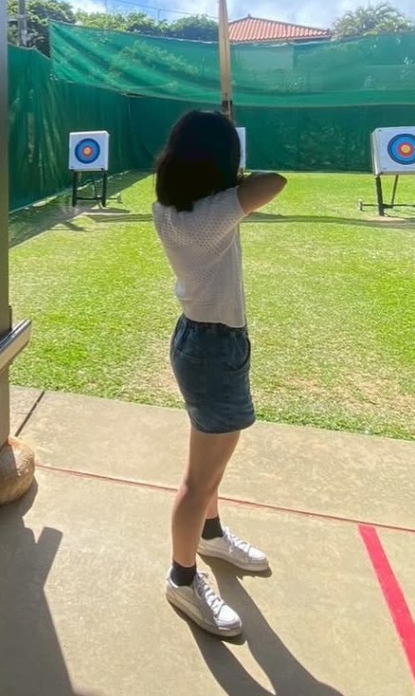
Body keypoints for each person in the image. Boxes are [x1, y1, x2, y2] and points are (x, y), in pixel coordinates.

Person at [152, 110, 287, 636]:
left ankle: (210, 535)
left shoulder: (168, 209)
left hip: (197, 339)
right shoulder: (213, 215)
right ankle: (182, 579)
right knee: (198, 479)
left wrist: (221, 166)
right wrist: (233, 173)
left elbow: (240, 191)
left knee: (208, 464)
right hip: (214, 349)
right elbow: (274, 182)